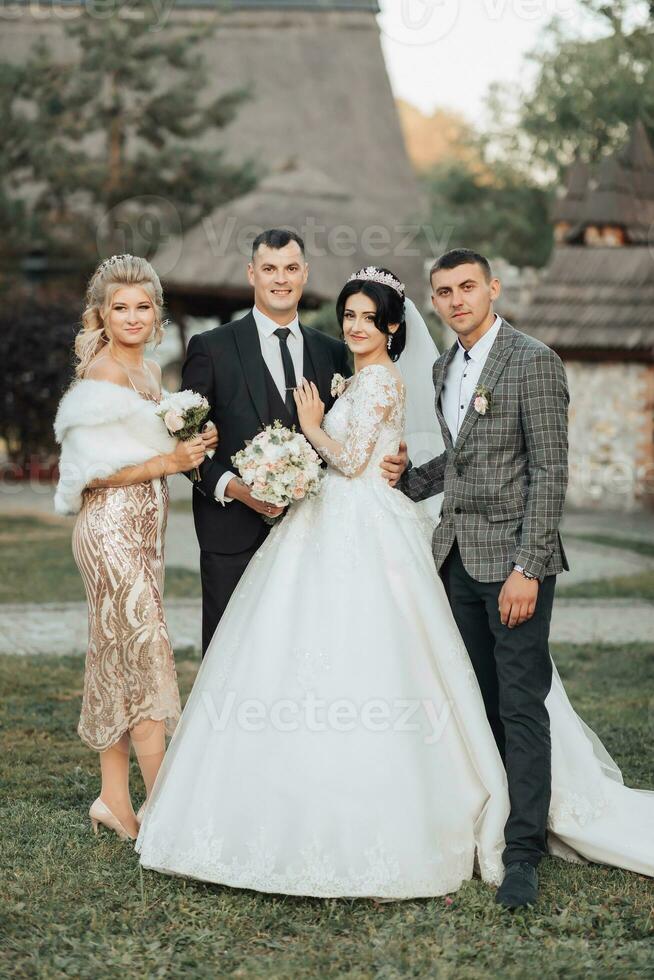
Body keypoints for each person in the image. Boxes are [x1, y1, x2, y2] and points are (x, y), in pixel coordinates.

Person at [136, 266, 654, 902]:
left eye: (365, 318)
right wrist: (383, 469)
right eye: (347, 316)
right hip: (354, 518)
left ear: (390, 326)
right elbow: (437, 458)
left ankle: (511, 837)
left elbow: (355, 460)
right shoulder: (418, 374)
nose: (353, 327)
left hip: (413, 536)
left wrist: (310, 425)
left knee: (452, 678)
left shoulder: (394, 378)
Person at [397, 248, 568, 907]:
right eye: (444, 291)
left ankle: (524, 852)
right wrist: (406, 482)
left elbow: (550, 474)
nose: (456, 299)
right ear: (435, 302)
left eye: (467, 286)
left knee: (521, 704)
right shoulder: (445, 366)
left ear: (493, 288)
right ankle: (495, 819)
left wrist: (528, 567)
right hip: (456, 564)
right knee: (477, 702)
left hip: (515, 567)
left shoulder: (533, 360)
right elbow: (462, 462)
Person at [53, 254, 218, 841]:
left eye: (142, 307)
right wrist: (167, 461)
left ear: (156, 314)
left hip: (144, 534)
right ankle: (170, 814)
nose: (131, 316)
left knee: (117, 660)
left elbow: (149, 445)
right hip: (109, 532)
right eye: (119, 307)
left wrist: (192, 443)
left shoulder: (148, 374)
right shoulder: (102, 375)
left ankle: (114, 802)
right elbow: (88, 472)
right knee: (145, 657)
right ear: (101, 314)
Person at [180, 230, 406, 655]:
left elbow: (361, 431)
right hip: (232, 535)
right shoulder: (211, 348)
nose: (280, 279)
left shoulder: (336, 353)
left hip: (318, 534)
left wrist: (396, 457)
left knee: (305, 655)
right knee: (232, 659)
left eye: (290, 268)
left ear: (305, 274)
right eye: (269, 269)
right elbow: (187, 447)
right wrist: (237, 490)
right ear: (252, 274)